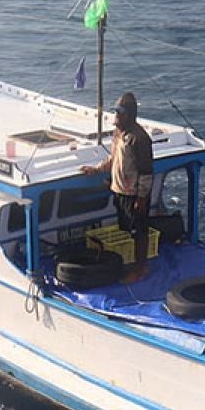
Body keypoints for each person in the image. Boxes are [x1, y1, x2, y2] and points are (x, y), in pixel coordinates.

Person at [79, 92, 155, 283]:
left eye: (120, 112)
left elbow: (146, 171)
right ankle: (137, 265)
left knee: (140, 231)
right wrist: (96, 170)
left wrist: (141, 198)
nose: (116, 117)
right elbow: (113, 159)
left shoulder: (139, 138)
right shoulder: (119, 134)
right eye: (115, 112)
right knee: (130, 229)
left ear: (129, 114)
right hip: (121, 190)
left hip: (134, 193)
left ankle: (140, 269)